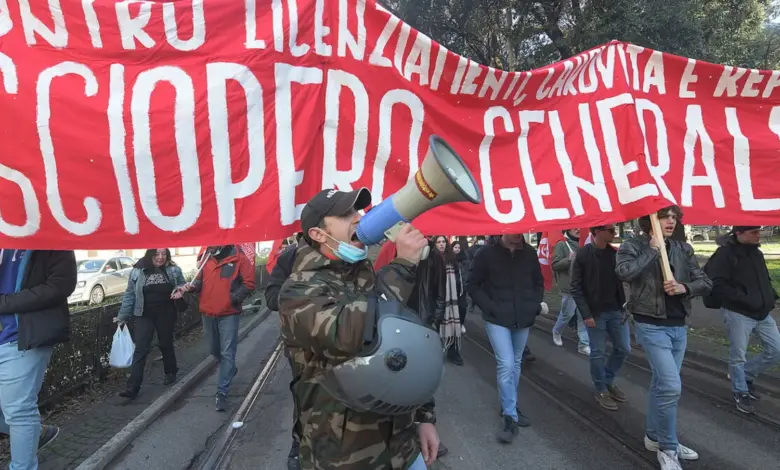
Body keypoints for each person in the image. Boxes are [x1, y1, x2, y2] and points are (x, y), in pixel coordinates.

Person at [278, 188, 440, 470]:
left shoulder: (366, 275)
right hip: (345, 455)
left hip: (402, 446)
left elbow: (405, 348)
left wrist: (424, 418)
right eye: (345, 214)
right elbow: (353, 335)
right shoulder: (298, 290)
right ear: (318, 234)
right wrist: (401, 268)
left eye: (357, 210)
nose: (358, 218)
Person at [616, 206, 711, 470]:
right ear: (650, 220)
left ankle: (654, 436)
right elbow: (624, 273)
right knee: (671, 386)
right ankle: (669, 448)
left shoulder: (683, 248)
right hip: (651, 325)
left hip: (678, 326)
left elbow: (705, 282)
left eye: (674, 217)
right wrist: (653, 251)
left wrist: (684, 287)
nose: (671, 221)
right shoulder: (632, 245)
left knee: (662, 385)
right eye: (664, 216)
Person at [0, 249, 77, 469]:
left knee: (18, 411)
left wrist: (5, 302)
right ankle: (36, 433)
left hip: (22, 339)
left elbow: (60, 285)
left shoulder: (52, 239)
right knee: (17, 413)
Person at [466, 233, 546, 443]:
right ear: (503, 230)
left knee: (516, 363)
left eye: (522, 231)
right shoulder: (485, 253)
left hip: (523, 317)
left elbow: (538, 282)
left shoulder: (528, 253)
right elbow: (472, 284)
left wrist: (533, 305)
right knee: (507, 363)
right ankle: (510, 416)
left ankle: (509, 405)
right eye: (515, 231)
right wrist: (490, 308)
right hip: (497, 319)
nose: (519, 235)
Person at [706, 226, 780, 414]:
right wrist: (744, 299)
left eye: (759, 231)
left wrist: (771, 296)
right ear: (739, 233)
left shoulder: (757, 253)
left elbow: (764, 279)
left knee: (776, 349)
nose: (758, 235)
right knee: (738, 356)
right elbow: (717, 283)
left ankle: (745, 375)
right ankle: (740, 390)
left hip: (762, 312)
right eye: (753, 232)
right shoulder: (725, 254)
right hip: (738, 313)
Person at [184, 245, 255, 411]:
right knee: (214, 350)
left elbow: (249, 283)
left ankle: (222, 392)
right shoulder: (206, 257)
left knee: (227, 352)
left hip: (228, 313)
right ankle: (229, 369)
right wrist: (192, 287)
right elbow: (199, 281)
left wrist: (232, 298)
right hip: (208, 312)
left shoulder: (239, 258)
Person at [570, 225, 630, 410]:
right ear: (597, 232)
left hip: (616, 310)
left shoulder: (615, 254)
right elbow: (575, 287)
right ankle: (601, 388)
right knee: (598, 352)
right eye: (611, 230)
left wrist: (625, 306)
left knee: (623, 348)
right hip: (595, 313)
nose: (615, 233)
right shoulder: (583, 254)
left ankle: (607, 380)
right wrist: (586, 314)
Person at [115, 249, 186, 400]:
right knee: (141, 348)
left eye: (164, 254)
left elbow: (183, 285)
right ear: (150, 254)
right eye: (157, 254)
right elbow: (130, 294)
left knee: (165, 343)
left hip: (166, 313)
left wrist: (180, 290)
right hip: (143, 314)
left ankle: (171, 371)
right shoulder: (137, 270)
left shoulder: (173, 269)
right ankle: (132, 387)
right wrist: (123, 315)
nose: (160, 257)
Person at [264, 233, 304, 470]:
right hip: (300, 343)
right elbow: (271, 298)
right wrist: (304, 291)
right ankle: (299, 443)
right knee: (304, 393)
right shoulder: (289, 257)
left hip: (341, 339)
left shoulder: (346, 254)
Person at [551, 228, 590, 355]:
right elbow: (555, 265)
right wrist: (568, 259)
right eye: (575, 227)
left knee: (583, 315)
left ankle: (584, 344)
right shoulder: (562, 244)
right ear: (568, 229)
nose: (578, 229)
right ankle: (556, 331)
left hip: (584, 286)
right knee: (567, 314)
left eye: (579, 227)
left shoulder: (585, 243)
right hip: (570, 287)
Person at [433, 236, 467, 366]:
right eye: (438, 242)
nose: (441, 244)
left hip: (453, 299)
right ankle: (435, 352)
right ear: (434, 244)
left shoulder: (452, 260)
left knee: (453, 326)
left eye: (443, 242)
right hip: (437, 299)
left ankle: (453, 351)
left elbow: (459, 278)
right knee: (436, 326)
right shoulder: (430, 260)